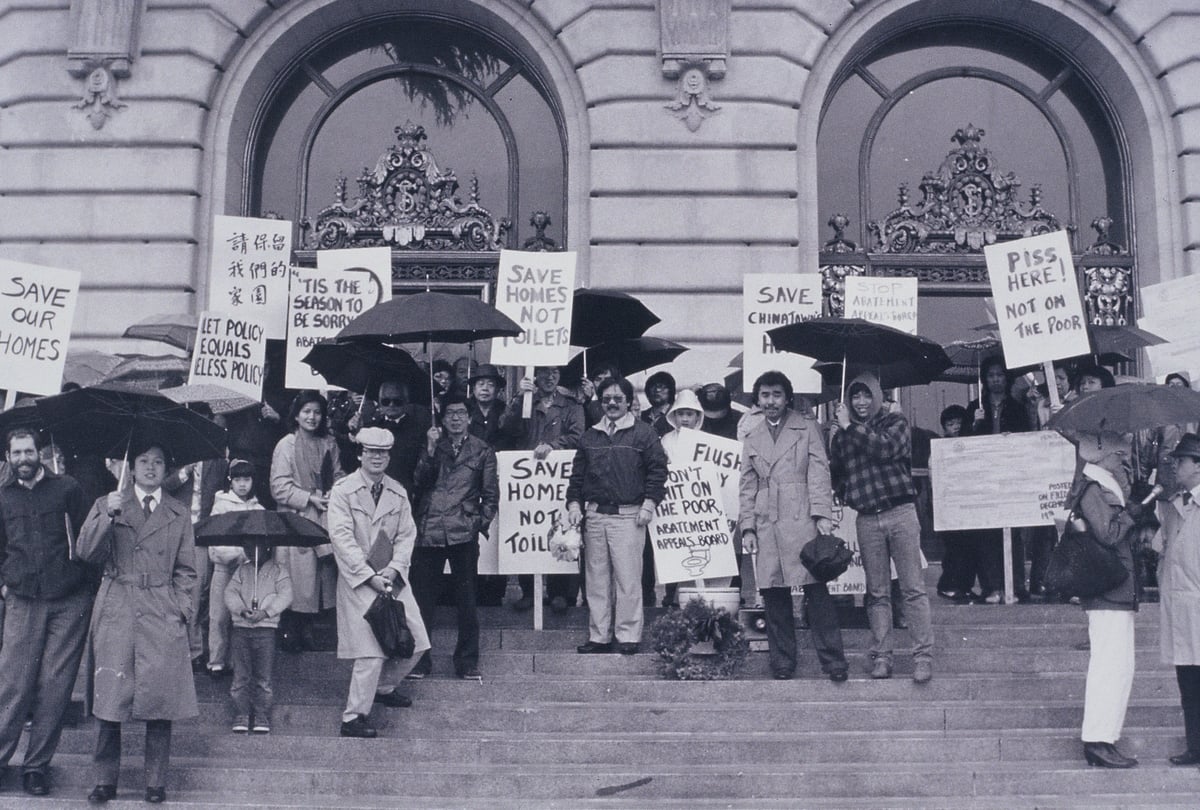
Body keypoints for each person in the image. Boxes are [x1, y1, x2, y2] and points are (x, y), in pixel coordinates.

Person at [77, 442, 199, 805]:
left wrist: (182, 608)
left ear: (166, 470)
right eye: (143, 461)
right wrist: (106, 518)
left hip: (162, 607)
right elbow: (85, 552)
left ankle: (155, 782)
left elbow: (188, 571)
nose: (150, 468)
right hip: (118, 603)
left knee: (160, 701)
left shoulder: (178, 512)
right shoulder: (108, 503)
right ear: (130, 468)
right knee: (109, 698)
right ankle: (103, 781)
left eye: (158, 462)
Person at [0, 428, 93, 797]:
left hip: (67, 602)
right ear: (8, 457)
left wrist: (84, 585)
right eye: (16, 453)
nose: (23, 458)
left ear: (41, 453)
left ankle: (36, 767)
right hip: (22, 600)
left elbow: (90, 539)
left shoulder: (67, 488)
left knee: (55, 688)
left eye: (28, 451)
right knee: (13, 685)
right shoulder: (2, 497)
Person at [740, 372, 848, 682]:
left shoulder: (807, 428)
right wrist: (748, 526)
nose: (770, 401)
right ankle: (782, 662)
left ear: (787, 397)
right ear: (757, 400)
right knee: (774, 594)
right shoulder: (751, 436)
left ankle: (833, 661)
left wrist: (822, 515)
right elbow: (746, 485)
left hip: (801, 515)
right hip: (766, 521)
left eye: (776, 394)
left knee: (816, 590)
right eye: (764, 395)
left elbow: (818, 473)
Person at [829, 371, 934, 683]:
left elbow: (887, 450)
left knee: (913, 588)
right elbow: (838, 473)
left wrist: (850, 427)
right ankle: (882, 656)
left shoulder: (895, 422)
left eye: (866, 395)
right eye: (855, 396)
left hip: (900, 512)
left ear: (877, 396)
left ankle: (922, 656)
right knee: (876, 592)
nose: (861, 402)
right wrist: (837, 436)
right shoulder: (843, 432)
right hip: (867, 518)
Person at [327, 427, 431, 739]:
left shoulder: (397, 492)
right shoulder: (343, 491)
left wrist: (395, 568)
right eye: (371, 451)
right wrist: (368, 576)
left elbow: (406, 535)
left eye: (383, 452)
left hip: (391, 577)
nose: (377, 457)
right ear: (359, 453)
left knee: (418, 642)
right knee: (369, 651)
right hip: (358, 580)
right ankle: (353, 717)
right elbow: (341, 539)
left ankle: (384, 688)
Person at [566, 376, 669, 655]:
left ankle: (628, 636)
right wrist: (574, 505)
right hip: (596, 516)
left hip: (629, 516)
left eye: (618, 398)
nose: (612, 403)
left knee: (628, 578)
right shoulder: (590, 436)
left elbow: (658, 471)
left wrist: (649, 504)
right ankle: (599, 636)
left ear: (629, 402)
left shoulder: (644, 433)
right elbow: (576, 478)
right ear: (600, 401)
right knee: (596, 579)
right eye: (607, 398)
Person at [409, 393, 499, 679]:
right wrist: (431, 449)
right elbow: (419, 483)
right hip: (430, 529)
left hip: (463, 531)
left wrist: (477, 524)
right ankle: (420, 662)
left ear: (470, 417)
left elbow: (490, 496)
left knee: (467, 599)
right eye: (450, 413)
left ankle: (467, 662)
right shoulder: (431, 444)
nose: (456, 418)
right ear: (442, 416)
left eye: (461, 413)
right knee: (423, 599)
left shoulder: (483, 450)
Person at [1068, 430, 1141, 768]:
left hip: (1116, 587)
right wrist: (1131, 514)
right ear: (1101, 457)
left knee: (1119, 666)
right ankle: (1097, 740)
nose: (1122, 460)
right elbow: (1109, 533)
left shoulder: (1102, 486)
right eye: (1117, 456)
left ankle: (1105, 738)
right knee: (1109, 667)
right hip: (1107, 587)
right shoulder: (1092, 488)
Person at [500, 365, 585, 613]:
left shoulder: (571, 405)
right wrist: (518, 399)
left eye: (554, 373)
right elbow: (508, 428)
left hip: (558, 478)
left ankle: (559, 591)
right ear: (535, 377)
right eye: (544, 372)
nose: (549, 377)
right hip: (528, 480)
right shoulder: (526, 400)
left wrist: (552, 445)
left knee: (560, 526)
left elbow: (578, 435)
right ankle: (529, 591)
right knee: (529, 530)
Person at [271, 390, 343, 652]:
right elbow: (278, 487)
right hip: (295, 521)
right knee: (296, 581)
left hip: (323, 518)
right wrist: (309, 498)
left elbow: (339, 475)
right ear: (297, 415)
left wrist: (334, 492)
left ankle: (308, 628)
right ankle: (290, 630)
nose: (312, 417)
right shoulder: (286, 444)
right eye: (307, 412)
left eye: (317, 412)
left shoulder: (329, 443)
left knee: (318, 581)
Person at [966, 356, 1033, 602]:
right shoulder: (975, 407)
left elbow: (1026, 437)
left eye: (1000, 375)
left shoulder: (1017, 407)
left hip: (1009, 476)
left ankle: (1015, 585)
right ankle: (992, 586)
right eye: (991, 375)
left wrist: (1010, 439)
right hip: (983, 477)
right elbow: (962, 443)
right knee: (986, 533)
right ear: (984, 379)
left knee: (1013, 533)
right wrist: (975, 423)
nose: (996, 379)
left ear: (1007, 378)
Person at [1154, 433, 1200, 766]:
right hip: (1180, 610)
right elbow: (1159, 548)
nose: (1176, 466)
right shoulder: (1173, 506)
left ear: (1198, 466)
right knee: (1189, 685)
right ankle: (1196, 747)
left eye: (1181, 461)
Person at [225, 541, 292, 735]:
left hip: (266, 630)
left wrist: (267, 612)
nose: (251, 551)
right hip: (241, 628)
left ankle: (261, 713)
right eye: (247, 547)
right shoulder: (241, 571)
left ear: (267, 547)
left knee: (264, 676)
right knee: (241, 675)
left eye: (256, 546)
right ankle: (242, 713)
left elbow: (286, 595)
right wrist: (241, 609)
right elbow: (230, 593)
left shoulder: (279, 571)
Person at [205, 459, 262, 677]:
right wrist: (238, 553)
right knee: (218, 615)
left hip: (247, 571)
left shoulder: (258, 508)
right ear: (230, 481)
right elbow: (215, 542)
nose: (242, 485)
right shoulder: (221, 505)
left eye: (246, 480)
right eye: (237, 480)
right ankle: (216, 660)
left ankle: (236, 661)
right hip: (224, 568)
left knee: (241, 616)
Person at [932, 405, 982, 602]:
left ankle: (965, 585)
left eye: (959, 423)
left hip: (967, 502)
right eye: (950, 424)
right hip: (947, 505)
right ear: (944, 427)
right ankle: (948, 585)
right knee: (954, 548)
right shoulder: (940, 446)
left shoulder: (969, 442)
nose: (955, 428)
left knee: (969, 547)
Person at [363, 379, 433, 495]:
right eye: (386, 401)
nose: (391, 405)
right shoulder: (370, 428)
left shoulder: (419, 429)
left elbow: (425, 474)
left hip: (405, 493)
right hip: (373, 492)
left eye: (397, 401)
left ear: (406, 402)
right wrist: (353, 434)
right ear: (379, 403)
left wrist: (431, 447)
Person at [465, 363, 508, 447]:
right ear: (474, 388)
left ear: (497, 389)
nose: (485, 388)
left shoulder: (504, 410)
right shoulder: (464, 409)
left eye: (490, 385)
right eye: (481, 384)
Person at [641, 371, 676, 437]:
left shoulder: (675, 415)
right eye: (653, 386)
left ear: (670, 390)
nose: (657, 390)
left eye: (662, 387)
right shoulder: (642, 416)